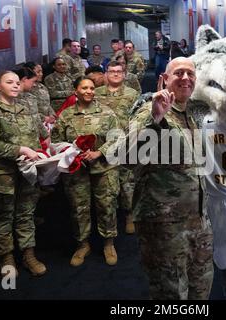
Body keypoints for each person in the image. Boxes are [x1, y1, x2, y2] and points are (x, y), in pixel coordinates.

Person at [127, 57, 213, 299]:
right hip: (164, 226)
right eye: (178, 73)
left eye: (190, 74)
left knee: (201, 288)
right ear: (164, 79)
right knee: (172, 294)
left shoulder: (191, 114)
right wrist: (153, 120)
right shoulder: (150, 111)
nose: (185, 78)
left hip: (198, 222)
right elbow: (126, 157)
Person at [0, 71, 49, 277]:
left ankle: (28, 255)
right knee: (4, 217)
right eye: (10, 82)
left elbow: (38, 136)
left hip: (27, 172)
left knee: (26, 214)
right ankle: (6, 258)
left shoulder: (25, 109)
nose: (16, 85)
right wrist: (21, 150)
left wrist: (42, 152)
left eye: (18, 82)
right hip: (2, 174)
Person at [51, 77, 121, 267]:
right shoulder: (65, 116)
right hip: (76, 170)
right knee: (78, 207)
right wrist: (71, 154)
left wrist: (99, 152)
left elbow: (118, 138)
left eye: (92, 88)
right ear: (76, 91)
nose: (89, 91)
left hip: (104, 168)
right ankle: (83, 244)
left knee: (107, 205)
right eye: (84, 88)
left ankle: (108, 243)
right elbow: (55, 143)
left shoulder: (107, 113)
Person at [95, 61, 139, 234]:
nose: (115, 74)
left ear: (124, 74)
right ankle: (109, 219)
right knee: (107, 185)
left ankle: (129, 214)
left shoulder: (132, 94)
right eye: (112, 71)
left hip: (126, 142)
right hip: (103, 144)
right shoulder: (96, 93)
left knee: (127, 181)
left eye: (118, 71)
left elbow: (139, 116)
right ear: (106, 73)